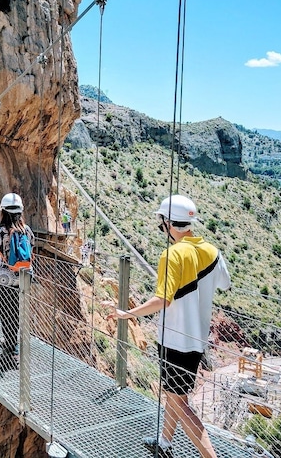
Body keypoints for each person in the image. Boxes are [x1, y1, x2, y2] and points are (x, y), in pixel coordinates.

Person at [106, 194, 230, 458]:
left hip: (174, 341)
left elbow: (162, 299)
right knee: (174, 394)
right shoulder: (212, 252)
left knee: (180, 402)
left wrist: (128, 314)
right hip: (197, 341)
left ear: (167, 223)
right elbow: (225, 284)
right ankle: (164, 442)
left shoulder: (171, 255)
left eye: (161, 221)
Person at [0, 192, 34, 356]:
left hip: (1, 279)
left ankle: (9, 343)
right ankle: (14, 343)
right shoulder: (26, 230)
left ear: (3, 211)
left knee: (4, 310)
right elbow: (31, 249)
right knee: (15, 310)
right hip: (22, 277)